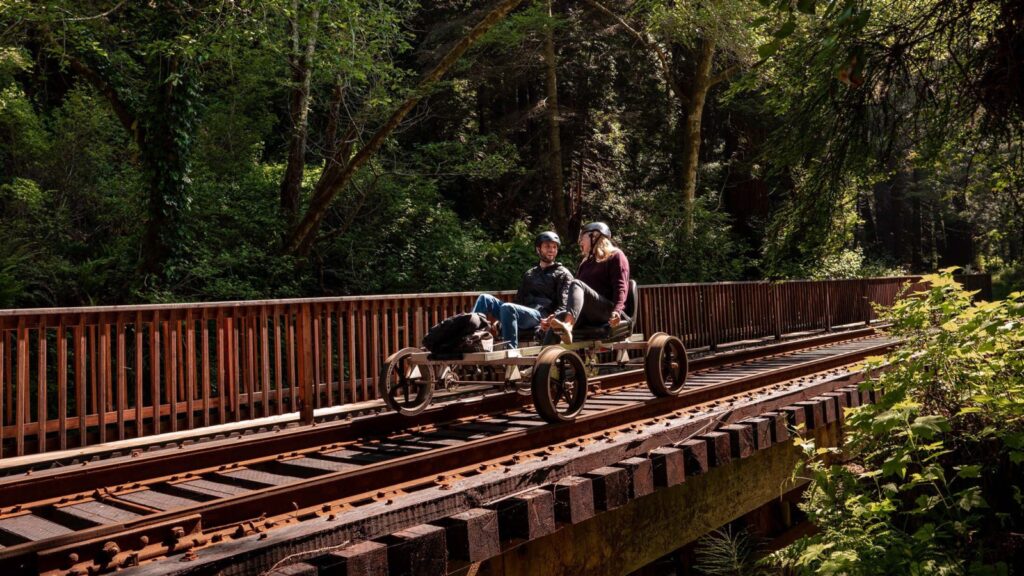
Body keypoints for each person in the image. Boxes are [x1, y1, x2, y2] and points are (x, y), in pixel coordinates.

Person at [472, 231, 574, 348]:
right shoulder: (530, 274)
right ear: (538, 249)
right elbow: (518, 301)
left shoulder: (563, 274)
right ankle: (469, 338)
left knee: (507, 307)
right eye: (547, 246)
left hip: (541, 316)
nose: (551, 250)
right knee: (484, 298)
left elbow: (565, 304)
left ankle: (511, 351)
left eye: (554, 247)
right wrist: (502, 319)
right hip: (523, 312)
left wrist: (552, 320)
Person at [543, 222, 630, 344]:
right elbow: (574, 297)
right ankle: (543, 361)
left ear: (594, 236)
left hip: (607, 312)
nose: (580, 242)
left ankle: (568, 325)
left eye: (582, 238)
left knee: (577, 284)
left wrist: (617, 311)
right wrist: (558, 314)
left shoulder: (615, 256)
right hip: (588, 313)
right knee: (556, 320)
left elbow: (621, 288)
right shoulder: (585, 262)